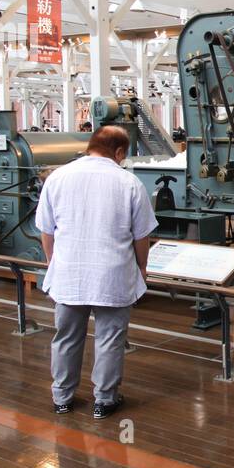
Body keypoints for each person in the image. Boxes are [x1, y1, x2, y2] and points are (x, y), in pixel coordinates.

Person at [35, 125, 157, 419]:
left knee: (65, 337)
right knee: (110, 339)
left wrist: (53, 261)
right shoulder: (129, 183)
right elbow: (141, 236)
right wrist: (142, 267)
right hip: (112, 275)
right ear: (118, 152)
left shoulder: (57, 178)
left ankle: (62, 399)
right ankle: (104, 400)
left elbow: (46, 230)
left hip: (68, 274)